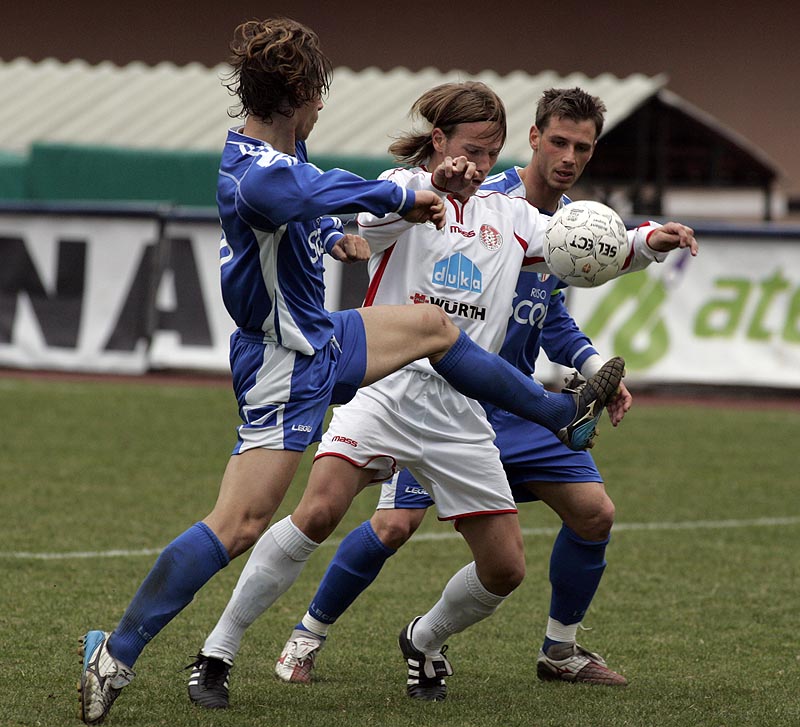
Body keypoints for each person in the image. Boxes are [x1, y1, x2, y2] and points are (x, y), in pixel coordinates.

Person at [76, 21, 631, 726]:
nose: (321, 110)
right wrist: (404, 196)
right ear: (300, 95)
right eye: (318, 97)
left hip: (324, 337)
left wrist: (337, 233)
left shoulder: (284, 148)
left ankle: (557, 412)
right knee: (241, 522)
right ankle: (117, 651)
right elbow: (310, 191)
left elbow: (307, 209)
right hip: (282, 362)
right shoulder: (256, 172)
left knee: (433, 326)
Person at [185, 81, 696, 708]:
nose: (479, 165)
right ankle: (218, 652)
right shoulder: (405, 193)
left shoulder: (511, 218)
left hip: (463, 411)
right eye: (470, 151)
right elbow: (359, 229)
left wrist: (647, 243)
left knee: (505, 569)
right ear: (439, 142)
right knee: (319, 511)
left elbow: (583, 251)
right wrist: (404, 203)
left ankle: (424, 639)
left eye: (490, 154)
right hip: (387, 389)